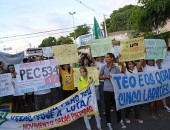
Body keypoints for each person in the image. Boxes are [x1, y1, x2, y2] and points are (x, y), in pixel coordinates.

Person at [99, 53, 126, 130]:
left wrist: (123, 66)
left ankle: (119, 119)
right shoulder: (103, 67)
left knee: (117, 105)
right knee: (107, 107)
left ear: (112, 58)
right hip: (106, 90)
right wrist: (106, 76)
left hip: (115, 90)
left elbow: (120, 76)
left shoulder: (116, 68)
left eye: (107, 57)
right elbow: (99, 77)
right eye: (105, 57)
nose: (105, 59)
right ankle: (108, 122)